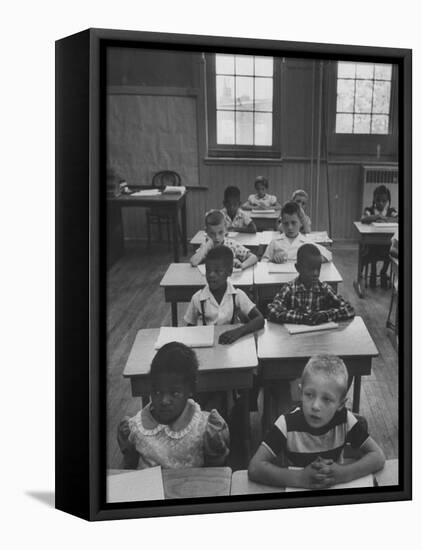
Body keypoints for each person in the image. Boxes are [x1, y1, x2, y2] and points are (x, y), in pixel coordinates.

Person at [248, 355, 385, 489]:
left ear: (340, 404)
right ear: (300, 392)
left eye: (326, 399)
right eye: (309, 395)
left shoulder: (345, 420)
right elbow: (254, 468)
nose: (315, 406)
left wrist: (343, 474)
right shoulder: (286, 424)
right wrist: (300, 478)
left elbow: (378, 457)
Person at [117, 342, 230, 469]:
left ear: (190, 390)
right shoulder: (136, 427)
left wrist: (215, 451)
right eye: (158, 392)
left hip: (191, 486)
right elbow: (129, 465)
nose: (164, 401)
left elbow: (216, 470)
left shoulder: (204, 427)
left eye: (175, 393)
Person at [185, 245, 264, 343]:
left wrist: (237, 332)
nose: (211, 275)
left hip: (230, 345)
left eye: (218, 271)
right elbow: (189, 327)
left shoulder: (237, 295)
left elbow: (260, 319)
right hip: (207, 345)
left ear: (229, 272)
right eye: (208, 270)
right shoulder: (197, 298)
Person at [267, 243, 354, 325]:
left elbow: (349, 309)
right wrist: (302, 318)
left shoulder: (324, 288)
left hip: (319, 336)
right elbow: (272, 311)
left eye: (318, 268)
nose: (316, 273)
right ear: (298, 268)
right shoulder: (289, 288)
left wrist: (325, 315)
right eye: (311, 269)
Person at [262, 201, 331, 263]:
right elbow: (263, 261)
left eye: (293, 223)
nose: (290, 227)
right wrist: (273, 260)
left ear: (301, 223)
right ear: (282, 223)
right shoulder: (275, 242)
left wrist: (312, 259)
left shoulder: (306, 242)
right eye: (286, 223)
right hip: (278, 275)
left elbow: (328, 254)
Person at [190, 209, 258, 269]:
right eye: (212, 234)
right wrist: (208, 244)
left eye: (220, 232)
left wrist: (242, 265)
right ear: (206, 232)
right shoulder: (205, 247)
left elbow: (254, 257)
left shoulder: (232, 244)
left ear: (226, 230)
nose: (217, 237)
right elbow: (194, 262)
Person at [361, 185, 398, 288]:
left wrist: (386, 219)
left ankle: (383, 272)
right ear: (374, 199)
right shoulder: (369, 210)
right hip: (372, 246)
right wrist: (377, 216)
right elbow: (364, 218)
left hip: (386, 245)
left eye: (384, 201)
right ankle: (372, 272)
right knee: (372, 250)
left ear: (388, 201)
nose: (381, 203)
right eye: (378, 200)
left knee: (390, 251)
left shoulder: (391, 211)